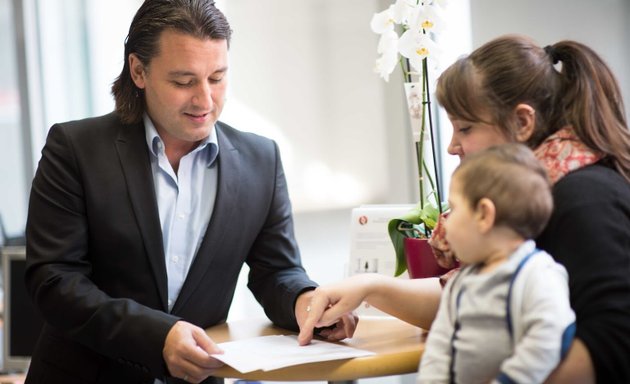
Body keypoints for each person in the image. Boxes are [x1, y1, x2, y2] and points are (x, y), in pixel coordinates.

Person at [24, 1, 356, 383]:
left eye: (217, 78)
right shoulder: (75, 148)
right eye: (183, 82)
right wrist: (158, 336)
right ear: (138, 71)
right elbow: (54, 281)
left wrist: (305, 303)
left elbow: (276, 270)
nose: (205, 100)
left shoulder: (260, 160)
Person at [299, 34, 630, 384]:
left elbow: (614, 344)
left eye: (466, 128)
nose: (453, 146)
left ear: (521, 123)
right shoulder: (537, 195)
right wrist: (369, 287)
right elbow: (474, 297)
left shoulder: (584, 198)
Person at [418, 143, 575, 383]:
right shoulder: (460, 283)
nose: (445, 224)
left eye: (454, 209)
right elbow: (439, 348)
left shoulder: (537, 274)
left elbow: (552, 335)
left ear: (483, 215)